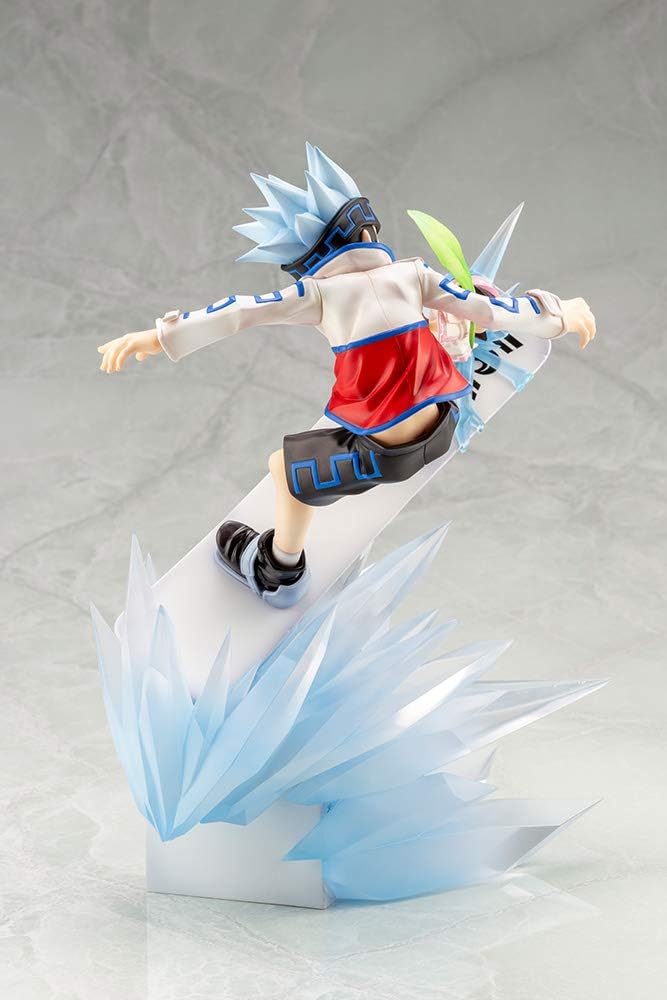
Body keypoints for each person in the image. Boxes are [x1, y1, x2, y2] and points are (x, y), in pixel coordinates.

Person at [98, 143, 596, 608]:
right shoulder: (414, 274)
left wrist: (160, 336)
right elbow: (492, 310)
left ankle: (279, 572)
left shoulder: (318, 294)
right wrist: (557, 312)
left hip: (385, 453)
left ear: (304, 258)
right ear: (365, 228)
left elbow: (240, 311)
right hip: (445, 422)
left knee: (284, 470)